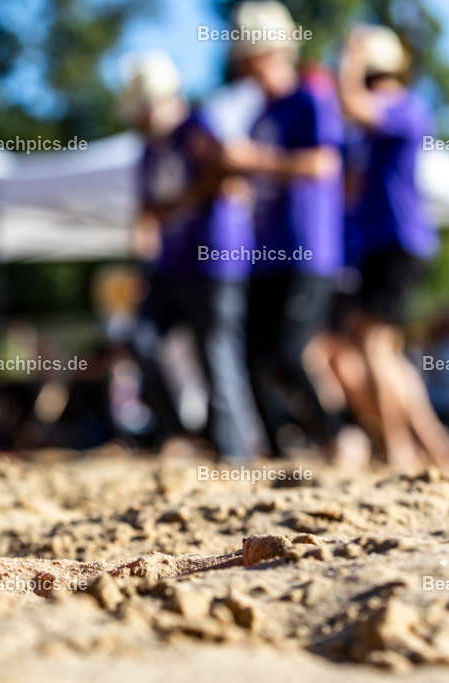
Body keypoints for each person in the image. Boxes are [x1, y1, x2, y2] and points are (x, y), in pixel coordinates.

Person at [223, 1, 365, 462]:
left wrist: (254, 160)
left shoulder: (310, 96)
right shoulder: (259, 114)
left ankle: (340, 438)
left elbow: (324, 163)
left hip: (309, 252)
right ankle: (284, 453)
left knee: (288, 351)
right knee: (250, 358)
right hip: (264, 255)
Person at [122, 51, 256, 461]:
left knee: (216, 354)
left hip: (215, 262)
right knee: (141, 339)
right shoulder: (148, 150)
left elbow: (232, 178)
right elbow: (148, 208)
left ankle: (233, 452)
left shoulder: (199, 127)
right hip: (172, 266)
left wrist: (182, 199)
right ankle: (176, 434)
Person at [337, 24, 449, 469]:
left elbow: (351, 103)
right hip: (381, 243)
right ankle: (435, 444)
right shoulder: (376, 124)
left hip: (398, 240)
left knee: (372, 345)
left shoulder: (405, 107)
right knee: (384, 349)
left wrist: (349, 57)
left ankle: (399, 450)